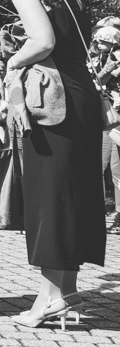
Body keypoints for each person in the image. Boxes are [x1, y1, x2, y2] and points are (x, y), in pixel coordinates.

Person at [6, 0, 105, 328]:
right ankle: (64, 293)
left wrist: (14, 61)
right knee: (76, 190)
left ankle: (48, 300)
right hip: (82, 94)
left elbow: (42, 41)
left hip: (54, 99)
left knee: (50, 194)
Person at [91, 25, 120, 233]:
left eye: (105, 42)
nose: (101, 46)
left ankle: (118, 214)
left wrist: (109, 69)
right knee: (100, 167)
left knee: (117, 171)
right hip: (103, 118)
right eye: (99, 42)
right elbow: (94, 82)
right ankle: (96, 212)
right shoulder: (97, 59)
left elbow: (99, 80)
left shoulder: (115, 58)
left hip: (115, 119)